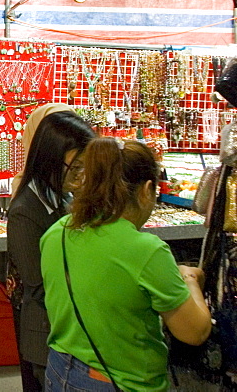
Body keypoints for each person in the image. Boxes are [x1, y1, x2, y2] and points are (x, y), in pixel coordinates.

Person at [40, 137, 212, 391]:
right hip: (121, 382)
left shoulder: (57, 233)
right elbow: (194, 332)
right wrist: (189, 280)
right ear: (146, 191)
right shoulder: (147, 251)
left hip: (60, 371)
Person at [6, 105, 95, 391]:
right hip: (47, 335)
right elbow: (38, 283)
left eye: (86, 167)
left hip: (68, 333)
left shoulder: (64, 197)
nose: (82, 175)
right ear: (51, 159)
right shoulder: (25, 211)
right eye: (76, 166)